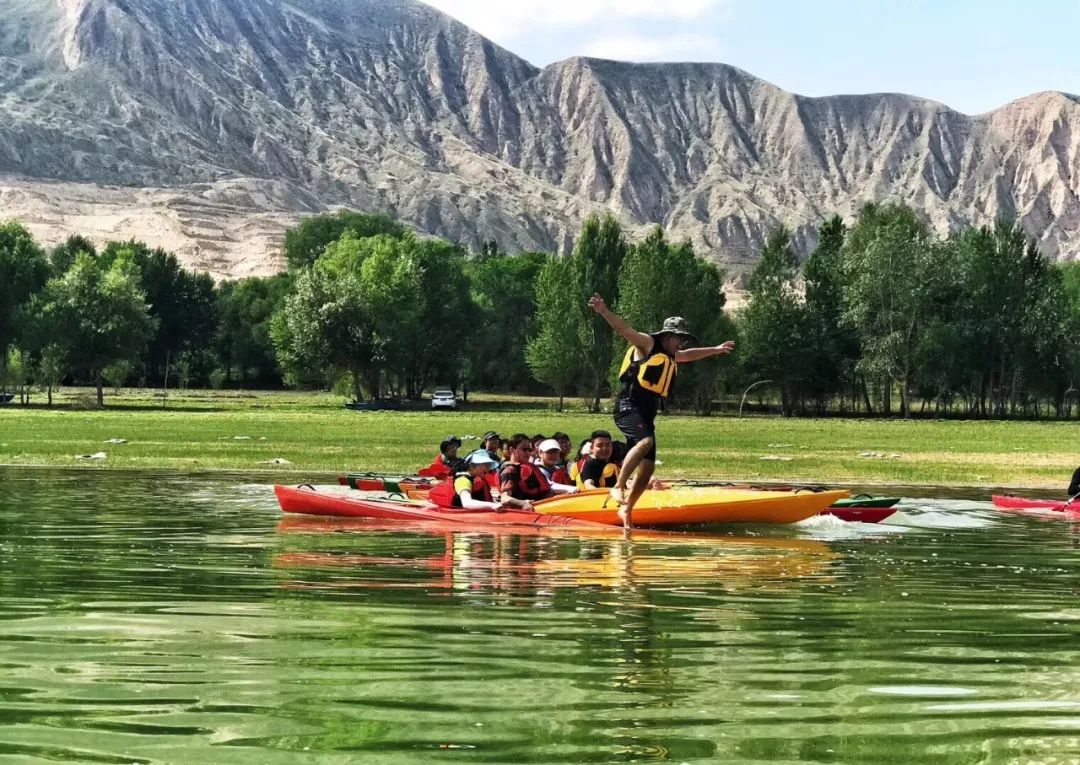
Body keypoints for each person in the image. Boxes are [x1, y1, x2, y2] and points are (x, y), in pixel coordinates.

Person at [587, 294, 735, 528]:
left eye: (685, 339)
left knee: (648, 467)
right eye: (680, 338)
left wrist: (716, 350)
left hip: (647, 411)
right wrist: (604, 311)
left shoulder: (673, 355)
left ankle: (627, 509)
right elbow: (625, 330)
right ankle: (618, 486)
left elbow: (690, 355)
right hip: (628, 405)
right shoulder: (647, 344)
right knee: (644, 442)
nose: (683, 343)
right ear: (667, 335)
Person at [499, 433, 571, 508]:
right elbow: (504, 498)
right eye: (524, 449)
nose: (528, 453)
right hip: (525, 511)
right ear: (512, 450)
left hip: (541, 506)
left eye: (529, 450)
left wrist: (567, 492)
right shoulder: (510, 470)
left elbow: (547, 491)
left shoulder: (530, 467)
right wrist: (522, 503)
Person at [428, 451, 505, 511]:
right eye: (485, 465)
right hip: (458, 514)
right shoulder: (463, 479)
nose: (488, 469)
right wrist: (492, 505)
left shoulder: (473, 477)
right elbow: (467, 503)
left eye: (489, 466)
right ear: (472, 465)